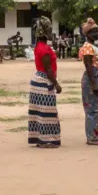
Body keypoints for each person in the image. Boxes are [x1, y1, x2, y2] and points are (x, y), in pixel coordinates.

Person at [28, 17, 62, 148]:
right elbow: (48, 69)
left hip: (38, 81)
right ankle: (47, 140)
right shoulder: (44, 49)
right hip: (44, 82)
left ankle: (40, 139)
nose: (51, 32)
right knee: (48, 113)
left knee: (40, 113)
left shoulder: (40, 46)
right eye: (49, 30)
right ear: (44, 32)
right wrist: (57, 84)